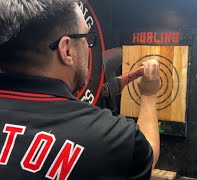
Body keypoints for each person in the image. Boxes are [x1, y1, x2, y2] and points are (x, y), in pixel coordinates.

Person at [0, 0, 160, 179]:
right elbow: (147, 158)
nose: (88, 46)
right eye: (87, 39)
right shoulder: (110, 137)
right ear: (66, 50)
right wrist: (149, 93)